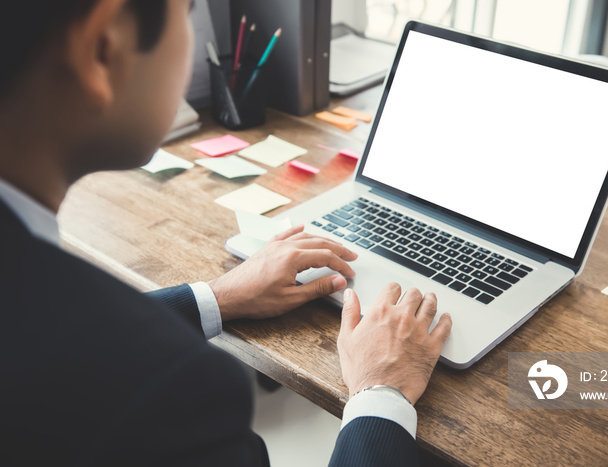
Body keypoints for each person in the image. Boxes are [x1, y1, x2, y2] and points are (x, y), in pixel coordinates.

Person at [0, 0, 452, 465]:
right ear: (102, 45)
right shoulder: (175, 391)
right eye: (189, 13)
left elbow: (74, 343)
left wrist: (219, 296)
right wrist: (381, 396)